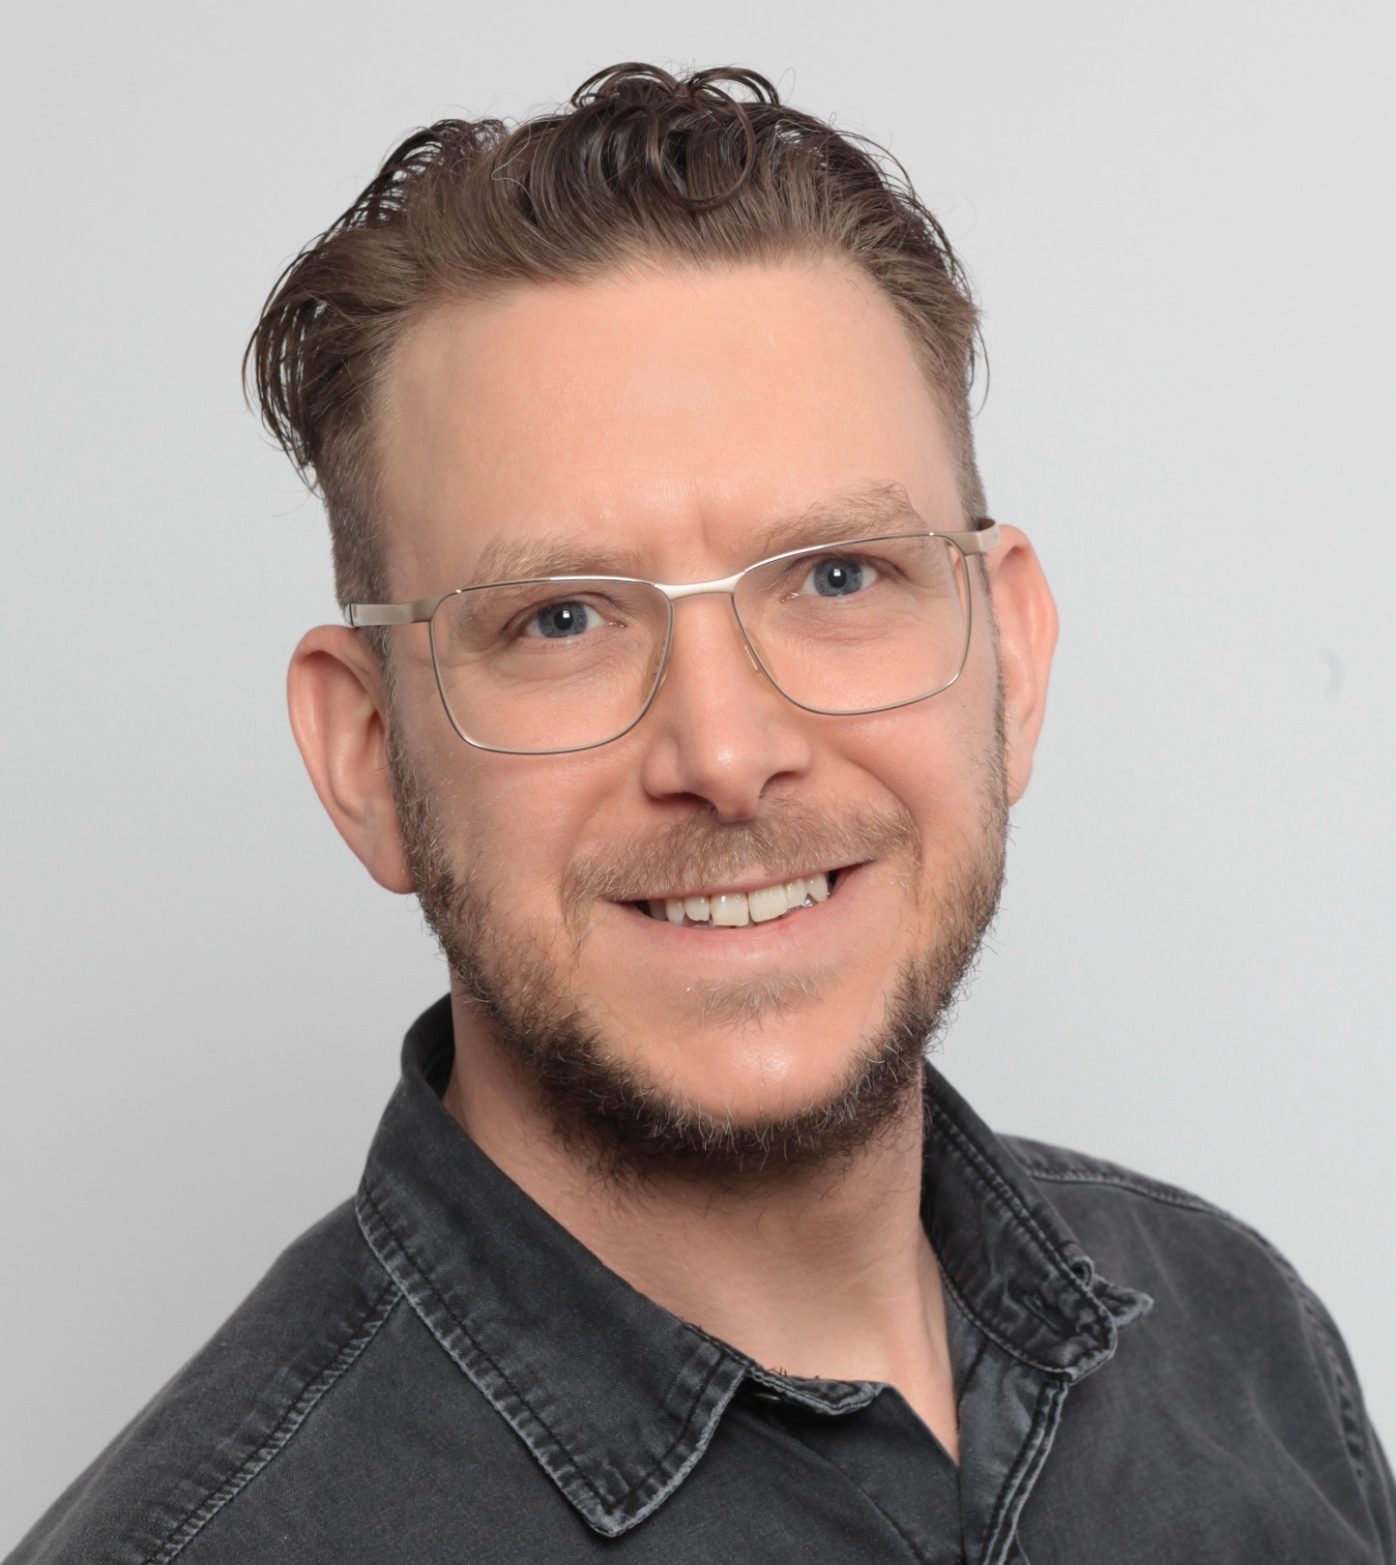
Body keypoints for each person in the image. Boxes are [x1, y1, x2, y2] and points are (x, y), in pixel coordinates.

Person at [7, 61, 1392, 1565]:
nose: (727, 755)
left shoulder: (1240, 1348)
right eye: (560, 619)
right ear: (367, 753)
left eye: (840, 576)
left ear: (1011, 658)